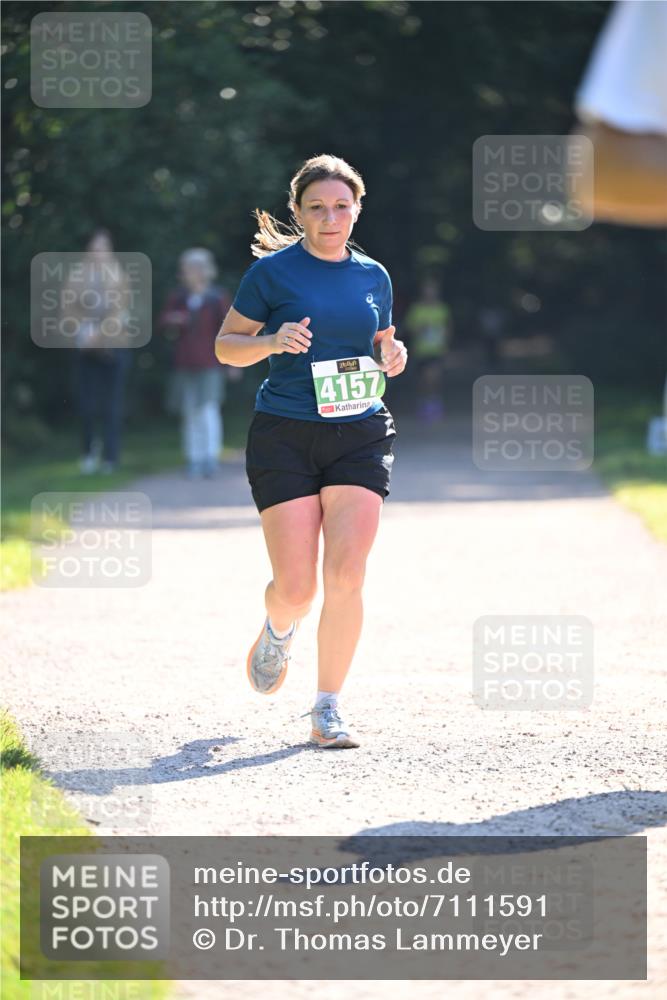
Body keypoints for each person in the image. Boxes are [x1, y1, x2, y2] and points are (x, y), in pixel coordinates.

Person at [215, 153, 408, 749]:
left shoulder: (374, 275)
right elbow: (226, 346)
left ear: (357, 209)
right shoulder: (272, 274)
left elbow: (381, 345)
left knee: (347, 573)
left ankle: (328, 708)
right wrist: (271, 340)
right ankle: (279, 626)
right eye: (317, 207)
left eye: (341, 206)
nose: (331, 217)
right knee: (297, 588)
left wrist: (393, 358)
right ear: (298, 212)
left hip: (361, 429)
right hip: (286, 432)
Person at [61, 228, 132, 475]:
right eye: (95, 247)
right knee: (87, 405)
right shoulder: (77, 276)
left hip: (114, 347)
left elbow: (120, 311)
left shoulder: (120, 276)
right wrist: (84, 332)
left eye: (104, 247)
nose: (99, 252)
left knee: (112, 405)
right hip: (84, 348)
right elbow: (68, 308)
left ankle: (110, 458)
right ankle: (88, 454)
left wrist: (99, 335)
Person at [157, 249, 232, 479]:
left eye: (189, 268)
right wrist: (173, 320)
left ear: (202, 270)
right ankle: (194, 458)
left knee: (208, 410)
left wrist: (233, 363)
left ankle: (210, 456)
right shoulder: (178, 297)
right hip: (184, 362)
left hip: (211, 362)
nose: (185, 273)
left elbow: (229, 329)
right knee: (189, 411)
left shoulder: (217, 297)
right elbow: (163, 323)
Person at [403, 278, 451, 423]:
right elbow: (409, 328)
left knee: (434, 378)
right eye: (427, 290)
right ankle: (424, 404)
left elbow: (448, 327)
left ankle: (435, 405)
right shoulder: (417, 309)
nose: (430, 293)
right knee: (423, 380)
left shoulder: (442, 309)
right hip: (420, 350)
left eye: (432, 290)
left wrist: (445, 340)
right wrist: (420, 329)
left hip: (436, 350)